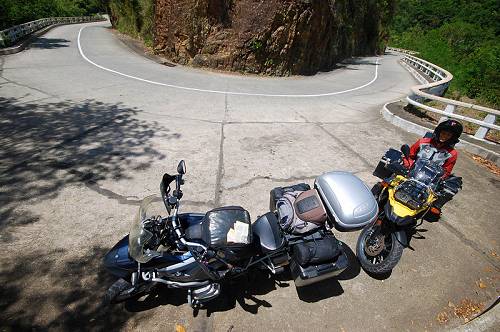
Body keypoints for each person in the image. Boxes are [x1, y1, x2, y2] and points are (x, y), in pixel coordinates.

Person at [372, 119, 463, 213]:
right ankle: (371, 201)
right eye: (443, 133)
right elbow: (410, 155)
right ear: (439, 132)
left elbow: (446, 171)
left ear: (452, 137)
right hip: (411, 173)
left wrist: (438, 179)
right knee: (384, 185)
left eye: (448, 135)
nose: (444, 136)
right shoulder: (423, 142)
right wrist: (409, 165)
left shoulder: (452, 154)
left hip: (429, 182)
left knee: (428, 204)